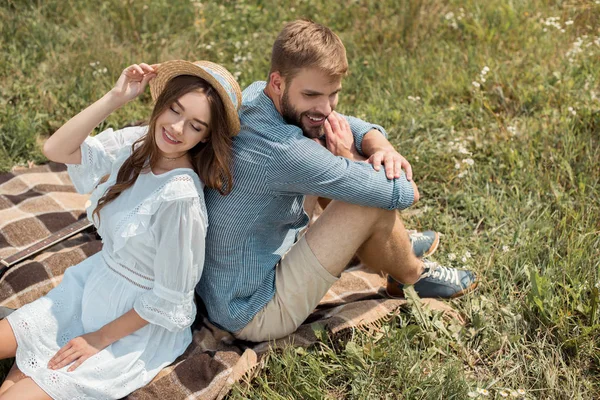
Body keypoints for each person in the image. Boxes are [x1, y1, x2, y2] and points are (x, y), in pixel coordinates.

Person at [195, 20, 479, 342]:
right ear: (278, 82)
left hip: (228, 282)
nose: (325, 107)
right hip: (250, 310)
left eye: (333, 95)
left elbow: (345, 123)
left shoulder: (258, 94)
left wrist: (382, 147)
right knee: (369, 204)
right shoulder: (286, 152)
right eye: (312, 94)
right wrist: (351, 158)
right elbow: (404, 192)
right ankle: (412, 276)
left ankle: (387, 243)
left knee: (329, 144)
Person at [0, 60, 242, 399]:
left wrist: (98, 338)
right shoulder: (138, 144)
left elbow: (170, 297)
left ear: (205, 138)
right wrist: (116, 96)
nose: (176, 128)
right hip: (90, 285)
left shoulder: (180, 198)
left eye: (195, 126)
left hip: (132, 325)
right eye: (175, 109)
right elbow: (55, 149)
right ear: (164, 101)